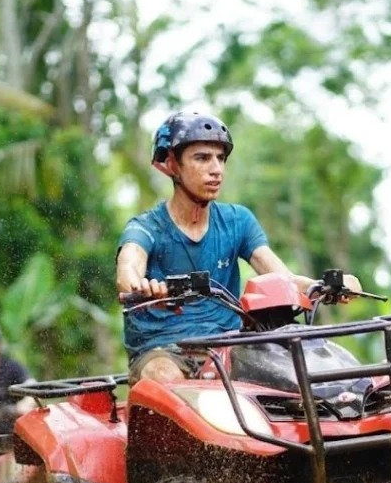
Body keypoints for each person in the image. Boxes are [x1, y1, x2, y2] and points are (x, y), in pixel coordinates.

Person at [116, 110, 360, 383]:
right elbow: (128, 269)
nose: (216, 169)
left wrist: (325, 285)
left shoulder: (238, 221)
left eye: (221, 158)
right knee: (164, 377)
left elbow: (282, 278)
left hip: (228, 348)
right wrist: (141, 287)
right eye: (202, 158)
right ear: (172, 164)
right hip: (163, 351)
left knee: (290, 378)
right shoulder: (146, 226)